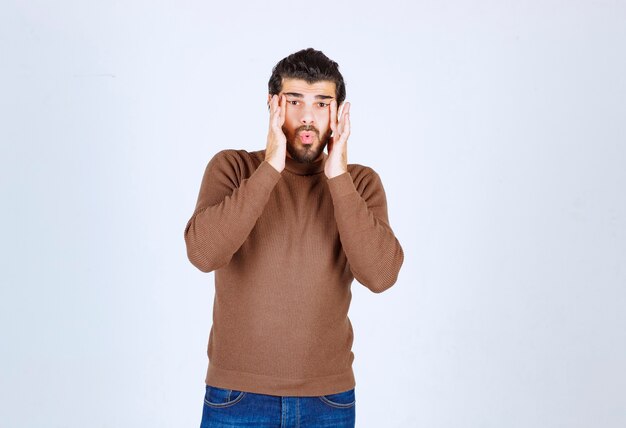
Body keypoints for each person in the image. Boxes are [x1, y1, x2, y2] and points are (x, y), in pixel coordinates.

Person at [184, 48, 404, 428]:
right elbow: (204, 254)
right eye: (294, 101)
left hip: (327, 401)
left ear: (338, 113)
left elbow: (380, 275)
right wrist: (271, 166)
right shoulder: (233, 168)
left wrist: (338, 178)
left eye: (322, 103)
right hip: (237, 397)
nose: (307, 116)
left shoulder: (359, 183)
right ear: (273, 106)